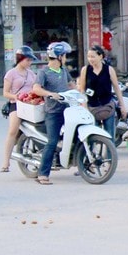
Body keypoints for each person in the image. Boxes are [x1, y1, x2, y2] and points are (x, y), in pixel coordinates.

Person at [31, 42, 77, 185]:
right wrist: (50, 94)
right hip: (53, 112)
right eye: (64, 55)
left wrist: (78, 94)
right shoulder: (44, 72)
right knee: (52, 141)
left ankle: (81, 166)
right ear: (59, 56)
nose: (65, 58)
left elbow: (72, 85)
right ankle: (43, 174)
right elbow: (36, 89)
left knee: (77, 136)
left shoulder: (63, 71)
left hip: (67, 110)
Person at [78, 45, 126, 141]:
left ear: (100, 56)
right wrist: (84, 105)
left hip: (107, 106)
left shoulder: (109, 69)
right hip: (91, 107)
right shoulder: (85, 70)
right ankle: (91, 155)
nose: (90, 59)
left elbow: (116, 88)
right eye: (89, 57)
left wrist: (122, 105)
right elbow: (82, 89)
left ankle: (110, 155)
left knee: (109, 137)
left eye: (93, 56)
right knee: (91, 138)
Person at [2, 46, 38, 172]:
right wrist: (16, 97)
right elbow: (5, 93)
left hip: (30, 104)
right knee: (13, 131)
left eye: (30, 60)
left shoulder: (32, 74)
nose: (29, 63)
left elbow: (35, 88)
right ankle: (6, 162)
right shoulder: (11, 74)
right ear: (20, 59)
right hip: (16, 104)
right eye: (27, 60)